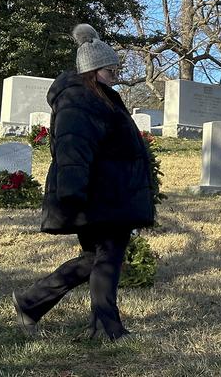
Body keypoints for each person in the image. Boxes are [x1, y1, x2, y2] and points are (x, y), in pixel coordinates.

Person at [11, 24, 155, 342]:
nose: (117, 73)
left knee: (95, 259)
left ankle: (31, 303)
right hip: (97, 196)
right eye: (110, 68)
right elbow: (72, 148)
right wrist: (73, 193)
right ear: (93, 70)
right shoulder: (79, 101)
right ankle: (108, 328)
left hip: (109, 195)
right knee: (108, 257)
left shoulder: (99, 97)